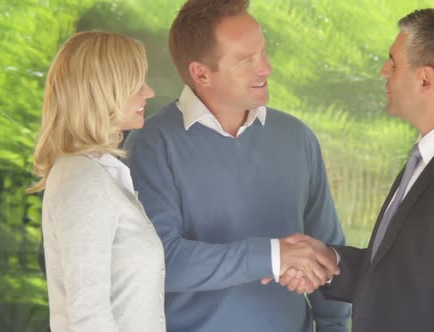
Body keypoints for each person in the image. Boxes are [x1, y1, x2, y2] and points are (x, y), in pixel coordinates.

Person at [278, 8, 434, 332]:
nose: (383, 71)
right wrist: (330, 262)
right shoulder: (431, 156)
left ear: (425, 79)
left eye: (394, 62)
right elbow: (409, 278)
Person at [123, 0, 350, 331]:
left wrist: (335, 328)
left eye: (262, 52)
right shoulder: (152, 145)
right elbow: (159, 262)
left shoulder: (296, 138)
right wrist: (272, 257)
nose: (266, 68)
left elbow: (329, 255)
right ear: (201, 73)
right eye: (247, 60)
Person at [27, 31, 165, 332]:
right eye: (136, 85)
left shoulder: (94, 173)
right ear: (102, 91)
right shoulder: (82, 180)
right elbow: (88, 319)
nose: (149, 92)